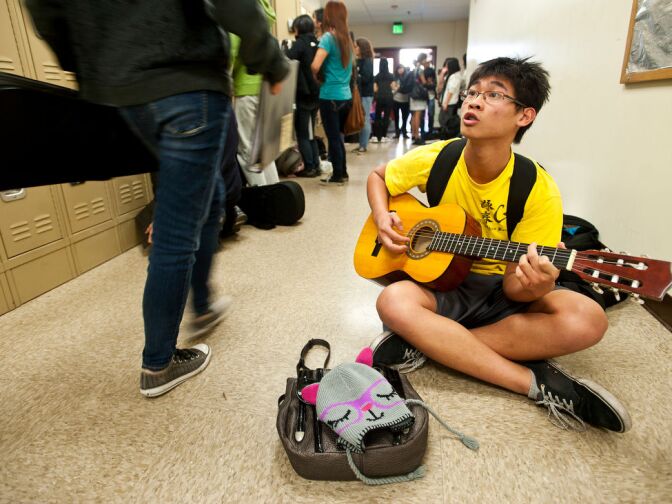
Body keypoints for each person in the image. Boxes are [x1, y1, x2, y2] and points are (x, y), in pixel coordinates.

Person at [26, 0, 289, 398]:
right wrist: (269, 58)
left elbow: (47, 14)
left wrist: (83, 64)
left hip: (118, 91)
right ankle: (158, 363)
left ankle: (202, 304)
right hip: (183, 81)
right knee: (177, 228)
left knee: (210, 195)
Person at [366, 57, 631, 433]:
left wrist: (534, 284)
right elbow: (379, 177)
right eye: (473, 92)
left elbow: (513, 288)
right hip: (445, 283)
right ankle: (533, 384)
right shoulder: (441, 156)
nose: (473, 101)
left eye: (493, 95)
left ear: (524, 116)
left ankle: (434, 344)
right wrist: (381, 216)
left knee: (588, 320)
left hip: (500, 293)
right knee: (391, 301)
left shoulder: (535, 187)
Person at [230, 0, 282, 187]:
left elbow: (233, 51)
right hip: (265, 88)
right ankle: (276, 196)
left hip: (247, 88)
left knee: (248, 152)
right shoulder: (265, 11)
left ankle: (265, 200)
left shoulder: (241, 11)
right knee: (264, 152)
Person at [311, 0, 353, 186]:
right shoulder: (347, 40)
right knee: (339, 137)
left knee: (333, 137)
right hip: (346, 96)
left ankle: (338, 174)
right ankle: (342, 171)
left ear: (329, 16)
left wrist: (318, 76)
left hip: (330, 95)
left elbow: (315, 65)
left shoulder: (328, 38)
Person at [286, 15, 321, 178]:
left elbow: (288, 59)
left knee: (303, 133)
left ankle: (310, 167)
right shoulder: (318, 43)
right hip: (317, 93)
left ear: (298, 28)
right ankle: (316, 164)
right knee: (311, 131)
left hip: (303, 94)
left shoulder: (300, 43)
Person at [353, 38, 374, 154]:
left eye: (356, 46)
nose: (354, 49)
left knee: (365, 119)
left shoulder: (367, 62)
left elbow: (365, 78)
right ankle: (361, 144)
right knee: (360, 119)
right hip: (359, 94)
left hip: (366, 94)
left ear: (362, 48)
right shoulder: (358, 61)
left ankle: (364, 145)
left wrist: (357, 75)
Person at [437, 57, 462, 138]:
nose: (446, 68)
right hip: (447, 103)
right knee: (442, 121)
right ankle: (445, 137)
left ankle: (448, 139)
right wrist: (442, 73)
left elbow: (451, 90)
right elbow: (440, 84)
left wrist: (445, 103)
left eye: (447, 66)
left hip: (449, 103)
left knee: (447, 122)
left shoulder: (455, 76)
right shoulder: (450, 75)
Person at [373, 58, 394, 143]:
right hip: (388, 97)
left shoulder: (377, 76)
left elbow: (375, 89)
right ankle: (384, 136)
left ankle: (378, 136)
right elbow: (393, 87)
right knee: (386, 117)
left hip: (379, 98)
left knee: (378, 117)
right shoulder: (391, 76)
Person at [409, 53, 429, 146]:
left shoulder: (414, 68)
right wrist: (429, 82)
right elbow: (423, 82)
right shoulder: (420, 69)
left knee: (413, 115)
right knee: (417, 115)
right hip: (419, 95)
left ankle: (413, 134)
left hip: (413, 94)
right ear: (423, 59)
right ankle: (417, 137)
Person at [392, 64, 411, 139]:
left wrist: (399, 88)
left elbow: (408, 87)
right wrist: (399, 88)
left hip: (405, 100)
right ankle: (397, 132)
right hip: (396, 99)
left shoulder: (407, 77)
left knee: (405, 117)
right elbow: (394, 89)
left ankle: (404, 131)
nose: (400, 70)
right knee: (396, 117)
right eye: (399, 69)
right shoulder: (395, 77)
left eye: (402, 68)